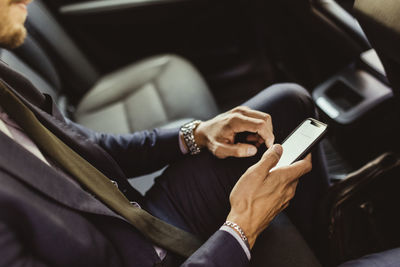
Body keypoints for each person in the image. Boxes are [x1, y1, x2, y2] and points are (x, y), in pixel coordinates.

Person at [0, 0, 328, 266]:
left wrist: (197, 134)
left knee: (286, 103)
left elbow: (88, 147)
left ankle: (331, 236)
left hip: (141, 222)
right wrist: (241, 229)